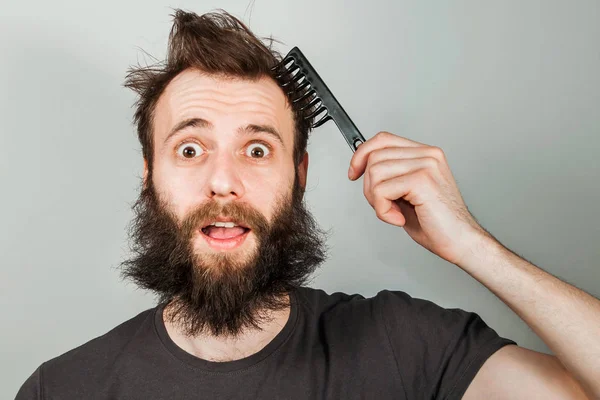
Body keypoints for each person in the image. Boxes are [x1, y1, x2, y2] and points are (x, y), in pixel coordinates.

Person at [15, 9, 599, 400]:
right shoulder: (62, 389)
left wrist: (474, 246)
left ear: (299, 176)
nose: (224, 181)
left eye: (257, 148)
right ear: (149, 178)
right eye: (190, 148)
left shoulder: (403, 345)